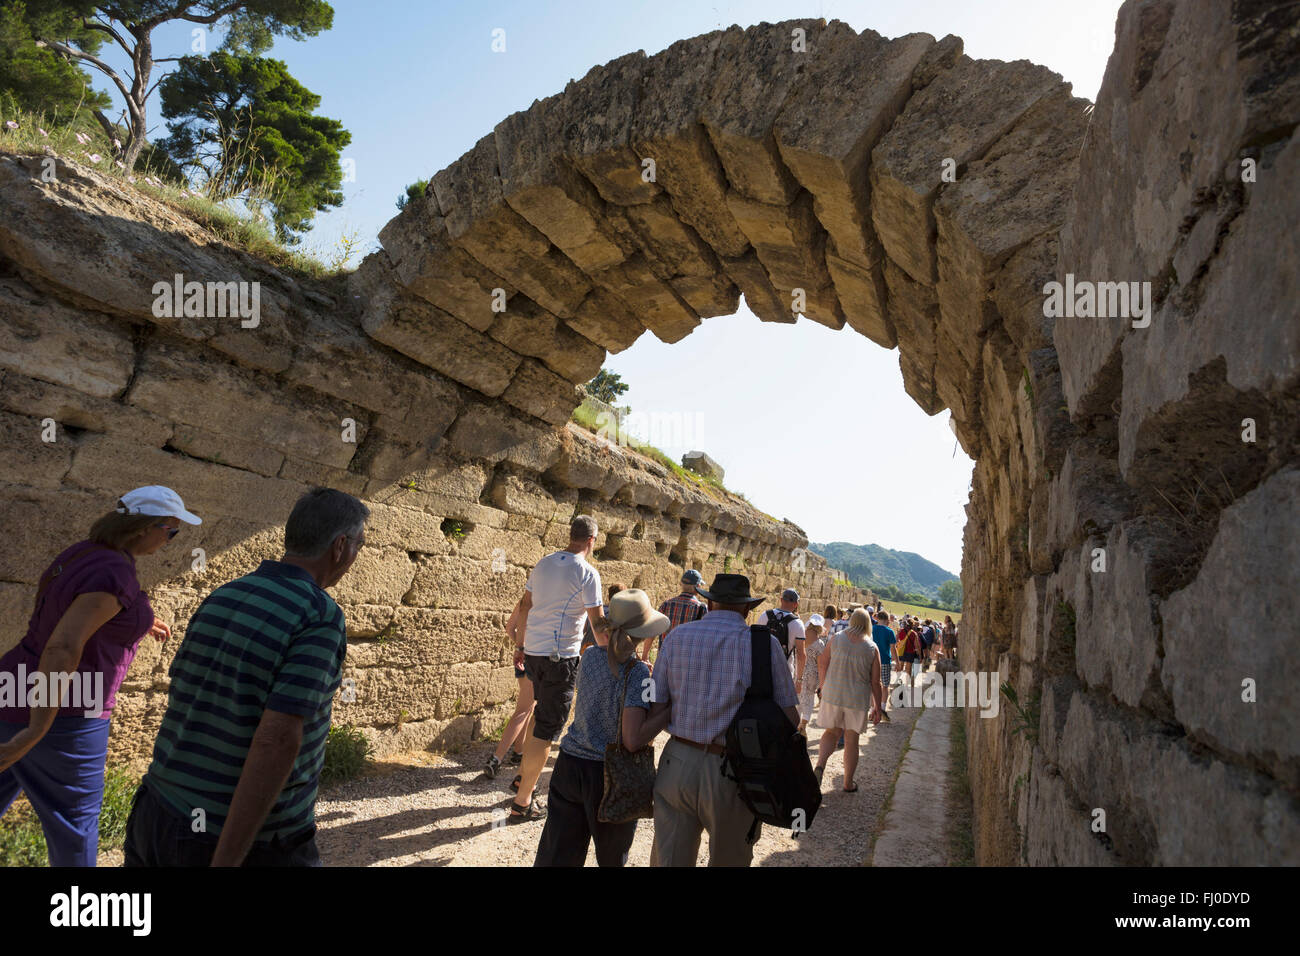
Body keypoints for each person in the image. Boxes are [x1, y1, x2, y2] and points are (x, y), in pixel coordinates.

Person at [124, 487, 367, 866]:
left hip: (157, 810)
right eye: (359, 545)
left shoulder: (226, 594)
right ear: (340, 546)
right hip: (240, 838)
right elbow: (277, 739)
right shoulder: (318, 614)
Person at [0, 486, 200, 866]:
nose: (170, 541)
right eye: (170, 532)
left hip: (10, 689)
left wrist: (136, 617)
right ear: (144, 527)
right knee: (74, 823)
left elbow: (65, 608)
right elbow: (62, 648)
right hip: (68, 712)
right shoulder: (115, 573)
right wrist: (36, 730)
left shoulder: (82, 553)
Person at [648, 573, 798, 867]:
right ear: (746, 609)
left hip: (677, 759)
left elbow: (656, 702)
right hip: (736, 769)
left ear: (711, 602)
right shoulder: (764, 646)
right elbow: (790, 717)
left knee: (669, 858)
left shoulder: (677, 637)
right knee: (730, 858)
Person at [534, 589, 671, 866]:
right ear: (642, 633)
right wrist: (667, 712)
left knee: (558, 854)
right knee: (611, 857)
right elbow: (632, 740)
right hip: (609, 774)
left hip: (570, 764)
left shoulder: (590, 657)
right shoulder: (639, 673)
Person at [508, 516, 604, 822]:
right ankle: (523, 803)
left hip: (533, 653)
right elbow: (598, 624)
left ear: (571, 536)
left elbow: (525, 606)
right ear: (591, 541)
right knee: (548, 729)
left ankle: (524, 778)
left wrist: (520, 645)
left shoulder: (543, 563)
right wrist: (612, 656)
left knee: (539, 715)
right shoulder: (587, 573)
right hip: (560, 658)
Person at [813, 609, 882, 792]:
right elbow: (876, 682)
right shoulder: (872, 647)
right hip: (856, 699)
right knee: (852, 740)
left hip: (833, 693)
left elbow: (822, 662)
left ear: (851, 621)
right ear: (868, 624)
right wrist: (878, 706)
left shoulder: (836, 638)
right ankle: (847, 783)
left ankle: (820, 766)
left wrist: (822, 686)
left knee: (831, 733)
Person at [485, 596, 535, 780]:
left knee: (527, 707)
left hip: (521, 655)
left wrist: (519, 646)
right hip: (535, 659)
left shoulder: (524, 601)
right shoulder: (547, 603)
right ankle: (496, 758)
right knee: (523, 710)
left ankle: (519, 751)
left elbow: (509, 628)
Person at [644, 569, 707, 663]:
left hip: (664, 661)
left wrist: (644, 657)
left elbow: (652, 632)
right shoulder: (701, 608)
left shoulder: (666, 604)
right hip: (687, 663)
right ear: (697, 586)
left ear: (681, 584)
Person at [758, 588, 805, 681]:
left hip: (762, 669)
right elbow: (801, 654)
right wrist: (799, 680)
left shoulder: (765, 615)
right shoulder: (798, 623)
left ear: (781, 600)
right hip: (784, 673)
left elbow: (756, 640)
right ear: (796, 604)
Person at [795, 613, 827, 736]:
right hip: (812, 675)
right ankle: (803, 725)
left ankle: (795, 724)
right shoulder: (819, 643)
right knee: (808, 700)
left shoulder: (801, 636)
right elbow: (821, 665)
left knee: (798, 699)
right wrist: (822, 683)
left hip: (799, 670)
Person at [870, 610, 897, 723]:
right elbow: (892, 648)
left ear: (877, 618)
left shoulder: (871, 629)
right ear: (887, 620)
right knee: (885, 686)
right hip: (885, 660)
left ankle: (872, 710)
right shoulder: (889, 631)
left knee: (872, 685)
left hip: (871, 660)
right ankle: (882, 709)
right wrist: (898, 662)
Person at [897, 618, 922, 706]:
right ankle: (906, 685)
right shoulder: (914, 633)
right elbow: (917, 646)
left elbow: (896, 640)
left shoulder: (900, 631)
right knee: (908, 670)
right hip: (910, 652)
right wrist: (920, 655)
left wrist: (898, 647)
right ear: (912, 625)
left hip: (901, 651)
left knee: (900, 666)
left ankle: (898, 681)